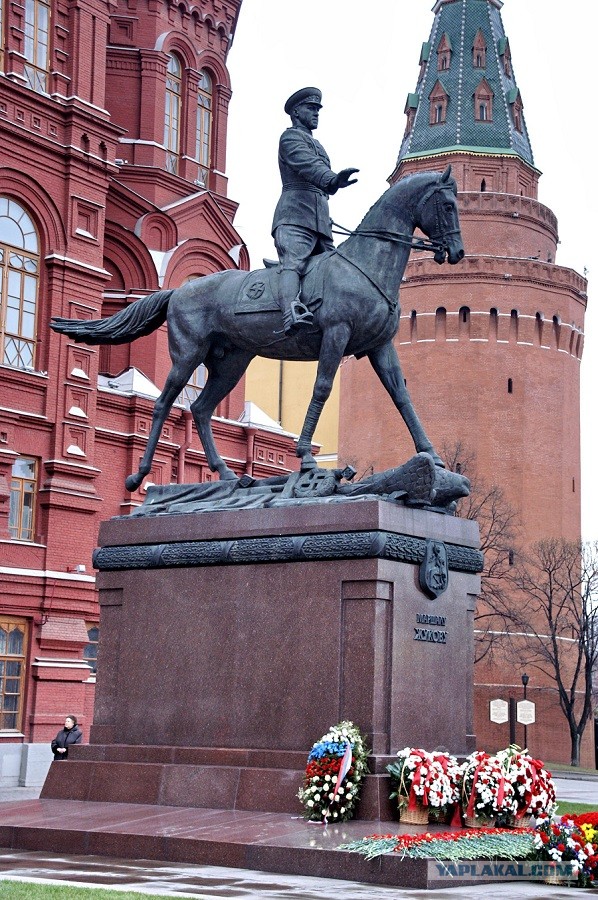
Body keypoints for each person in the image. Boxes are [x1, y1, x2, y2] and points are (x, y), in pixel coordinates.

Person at [271, 87, 359, 333]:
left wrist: (332, 183)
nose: (316, 113)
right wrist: (332, 179)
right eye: (311, 108)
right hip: (295, 218)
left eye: (318, 109)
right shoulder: (290, 138)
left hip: (320, 223)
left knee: (338, 270)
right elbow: (307, 165)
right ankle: (290, 314)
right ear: (296, 112)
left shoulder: (317, 144)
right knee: (294, 263)